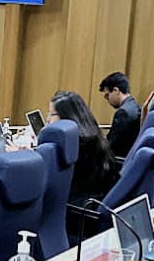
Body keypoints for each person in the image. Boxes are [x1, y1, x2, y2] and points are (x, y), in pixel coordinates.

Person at [48, 90, 119, 236]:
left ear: (66, 116)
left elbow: (49, 181)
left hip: (74, 216)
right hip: (91, 204)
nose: (48, 119)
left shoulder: (75, 145)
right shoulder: (91, 136)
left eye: (51, 114)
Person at [97, 72, 140, 158]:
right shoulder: (134, 106)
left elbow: (111, 145)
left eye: (107, 96)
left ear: (116, 91)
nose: (107, 100)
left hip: (118, 162)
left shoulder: (123, 113)